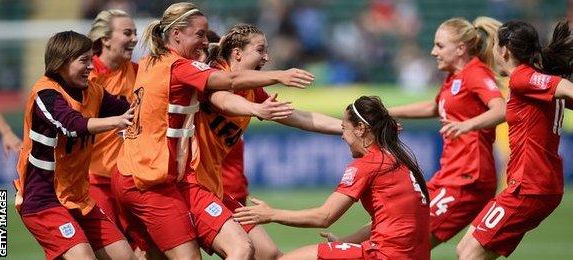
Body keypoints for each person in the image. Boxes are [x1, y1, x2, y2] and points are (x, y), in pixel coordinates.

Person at [112, 2, 314, 259]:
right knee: (232, 250)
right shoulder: (181, 68)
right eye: (199, 35)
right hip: (153, 179)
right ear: (176, 34)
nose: (204, 42)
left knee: (155, 254)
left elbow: (293, 115)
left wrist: (343, 126)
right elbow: (225, 87)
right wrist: (278, 77)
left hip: (139, 173)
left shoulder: (151, 61)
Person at [456, 20, 573, 259]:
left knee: (470, 255)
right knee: (465, 250)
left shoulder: (524, 79)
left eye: (494, 47)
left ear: (504, 51)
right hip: (527, 186)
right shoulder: (532, 84)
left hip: (530, 187)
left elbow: (570, 89)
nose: (492, 52)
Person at [181, 23, 342, 259]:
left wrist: (349, 128)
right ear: (237, 53)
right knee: (241, 249)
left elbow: (298, 117)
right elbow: (222, 100)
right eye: (260, 50)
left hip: (212, 187)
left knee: (268, 254)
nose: (266, 56)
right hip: (189, 184)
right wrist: (256, 109)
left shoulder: (252, 90)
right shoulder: (213, 76)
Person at [234, 95, 431, 259]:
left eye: (344, 128)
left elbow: (324, 217)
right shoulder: (400, 161)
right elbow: (387, 222)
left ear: (360, 129)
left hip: (384, 254)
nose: (342, 136)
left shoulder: (369, 164)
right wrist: (344, 243)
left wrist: (271, 214)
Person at [14, 30, 136, 260]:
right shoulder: (45, 93)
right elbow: (71, 125)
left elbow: (129, 108)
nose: (91, 66)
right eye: (84, 60)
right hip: (43, 200)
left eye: (91, 59)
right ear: (62, 61)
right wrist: (117, 122)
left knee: (125, 257)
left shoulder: (93, 92)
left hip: (79, 198)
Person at [388, 17, 505, 248]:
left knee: (407, 243)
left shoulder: (476, 73)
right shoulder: (454, 77)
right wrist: (386, 112)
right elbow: (434, 107)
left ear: (461, 48)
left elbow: (501, 109)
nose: (433, 52)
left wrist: (468, 125)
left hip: (468, 179)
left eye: (440, 46)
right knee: (398, 226)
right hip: (449, 174)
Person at [87, 9, 161, 259]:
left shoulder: (140, 73)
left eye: (135, 34)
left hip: (131, 179)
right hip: (95, 179)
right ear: (105, 39)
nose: (133, 39)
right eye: (127, 33)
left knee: (152, 248)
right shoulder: (85, 77)